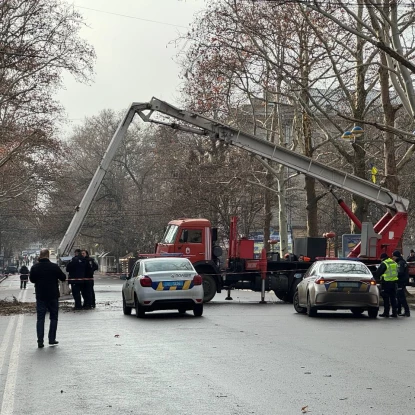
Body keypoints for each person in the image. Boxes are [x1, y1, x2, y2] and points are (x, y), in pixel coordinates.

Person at [29, 249, 66, 348]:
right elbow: (63, 277)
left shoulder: (35, 267)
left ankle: (40, 341)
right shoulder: (54, 267)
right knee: (53, 317)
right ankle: (52, 339)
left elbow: (32, 279)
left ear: (40, 255)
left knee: (40, 318)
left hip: (41, 295)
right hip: (53, 294)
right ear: (48, 255)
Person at [374, 253, 398, 318]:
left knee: (386, 298)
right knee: (393, 298)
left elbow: (378, 272)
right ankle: (394, 313)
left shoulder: (384, 263)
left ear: (382, 258)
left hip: (386, 283)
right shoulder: (394, 262)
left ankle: (386, 313)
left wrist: (377, 278)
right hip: (394, 282)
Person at [392, 250, 410, 317]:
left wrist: (394, 275)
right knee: (399, 296)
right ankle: (399, 311)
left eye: (393, 256)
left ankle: (407, 311)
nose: (393, 257)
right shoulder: (403, 262)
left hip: (401, 281)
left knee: (401, 297)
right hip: (403, 281)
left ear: (396, 256)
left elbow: (400, 272)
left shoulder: (400, 263)